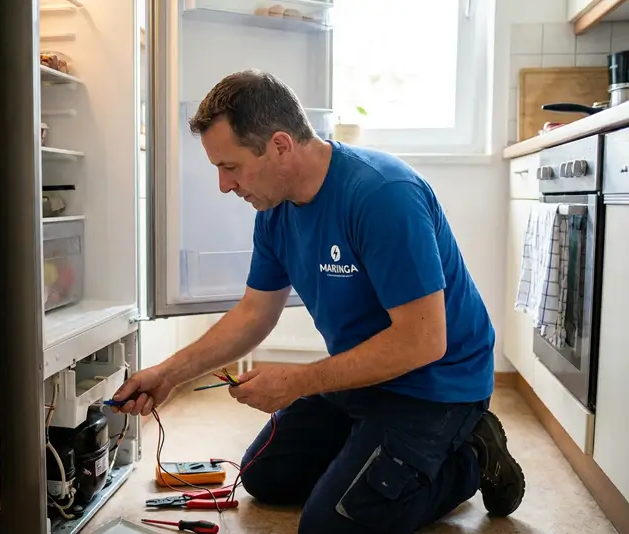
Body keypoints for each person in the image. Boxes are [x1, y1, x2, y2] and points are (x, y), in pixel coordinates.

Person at [110, 69, 525, 533]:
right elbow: (254, 313)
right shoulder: (274, 209)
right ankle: (373, 451)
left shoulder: (383, 195)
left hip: (437, 385)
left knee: (331, 525)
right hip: (366, 376)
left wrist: (299, 381)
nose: (224, 185)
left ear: (280, 146)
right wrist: (168, 374)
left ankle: (469, 457)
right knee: (263, 476)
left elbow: (424, 341)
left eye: (230, 167)